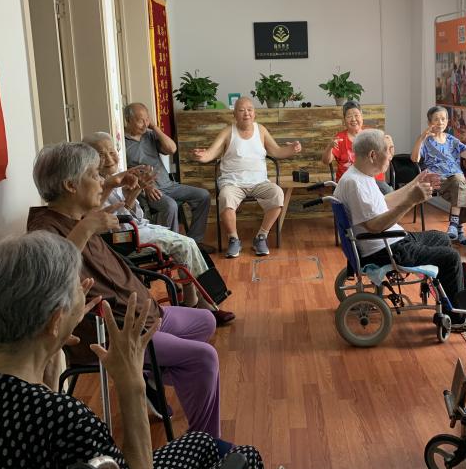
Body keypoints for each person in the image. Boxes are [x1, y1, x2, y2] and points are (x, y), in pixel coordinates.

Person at [0, 231, 267, 469]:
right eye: (77, 290)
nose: (85, 294)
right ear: (55, 321)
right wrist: (132, 385)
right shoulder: (70, 420)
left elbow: (35, 434)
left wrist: (50, 352)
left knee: (201, 442)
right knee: (245, 458)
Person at [28, 142, 222, 437]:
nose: (101, 181)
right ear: (70, 185)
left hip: (141, 314)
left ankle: (149, 374)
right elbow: (52, 279)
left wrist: (113, 198)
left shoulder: (75, 217)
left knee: (205, 320)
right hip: (115, 333)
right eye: (94, 175)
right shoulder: (44, 230)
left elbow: (95, 212)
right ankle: (206, 443)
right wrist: (87, 228)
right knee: (203, 359)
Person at [83, 132, 235, 325]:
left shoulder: (114, 177)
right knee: (185, 245)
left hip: (136, 229)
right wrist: (110, 186)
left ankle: (196, 302)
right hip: (123, 239)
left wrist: (137, 189)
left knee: (189, 246)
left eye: (112, 152)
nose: (109, 158)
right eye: (101, 154)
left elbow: (128, 209)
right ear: (89, 157)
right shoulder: (91, 182)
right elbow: (93, 216)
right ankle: (206, 306)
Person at [334, 129, 466, 309]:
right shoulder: (355, 183)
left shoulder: (360, 175)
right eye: (387, 150)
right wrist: (411, 201)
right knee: (451, 257)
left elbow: (385, 202)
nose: (390, 156)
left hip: (391, 241)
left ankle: (452, 297)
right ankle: (457, 314)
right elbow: (374, 226)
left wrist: (414, 183)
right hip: (385, 250)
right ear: (373, 155)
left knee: (441, 238)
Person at [191, 97, 302, 258]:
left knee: (277, 194)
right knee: (225, 197)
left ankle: (261, 236)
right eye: (241, 110)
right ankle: (233, 239)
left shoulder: (261, 130)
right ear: (234, 114)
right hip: (233, 183)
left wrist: (292, 149)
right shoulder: (228, 132)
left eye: (250, 110)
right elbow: (211, 153)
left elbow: (277, 151)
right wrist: (201, 156)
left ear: (254, 113)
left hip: (259, 182)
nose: (246, 113)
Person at [124, 102, 213, 250]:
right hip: (147, 190)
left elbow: (172, 149)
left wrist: (155, 127)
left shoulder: (150, 135)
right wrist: (145, 187)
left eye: (147, 119)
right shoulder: (123, 143)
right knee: (170, 206)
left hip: (168, 185)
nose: (145, 124)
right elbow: (125, 173)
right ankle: (172, 248)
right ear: (128, 120)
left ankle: (195, 242)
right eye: (140, 120)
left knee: (203, 195)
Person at [411, 106, 466, 244]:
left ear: (447, 121)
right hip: (437, 179)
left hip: (455, 178)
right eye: (436, 119)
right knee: (465, 191)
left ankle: (454, 226)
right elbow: (414, 159)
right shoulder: (426, 141)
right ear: (429, 122)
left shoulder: (452, 140)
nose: (440, 122)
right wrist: (421, 137)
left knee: (459, 183)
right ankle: (459, 229)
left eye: (443, 119)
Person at [321, 100, 393, 195]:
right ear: (344, 120)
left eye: (356, 115)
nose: (353, 119)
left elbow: (389, 156)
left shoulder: (371, 134)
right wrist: (330, 147)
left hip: (374, 180)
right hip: (350, 183)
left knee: (388, 193)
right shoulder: (340, 138)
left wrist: (390, 144)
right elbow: (326, 161)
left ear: (362, 116)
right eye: (349, 116)